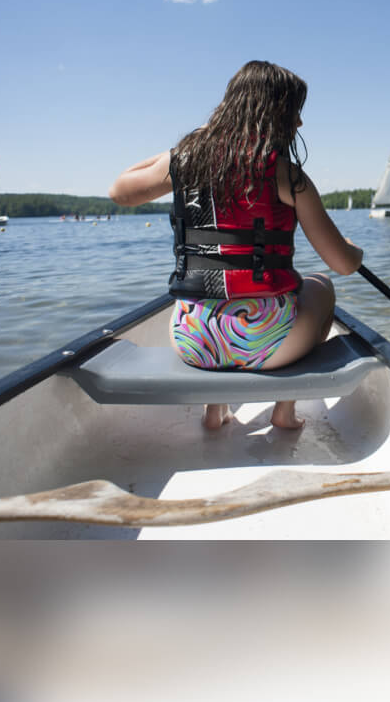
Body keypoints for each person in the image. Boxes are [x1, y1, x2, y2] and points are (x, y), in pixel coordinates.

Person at [109, 60, 363, 431]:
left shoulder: (185, 161)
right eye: (295, 112)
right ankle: (284, 411)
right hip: (269, 344)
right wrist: (355, 250)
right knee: (320, 285)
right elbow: (342, 263)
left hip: (192, 341)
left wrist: (187, 146)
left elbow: (119, 190)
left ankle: (215, 410)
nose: (300, 124)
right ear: (274, 113)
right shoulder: (287, 175)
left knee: (214, 299)